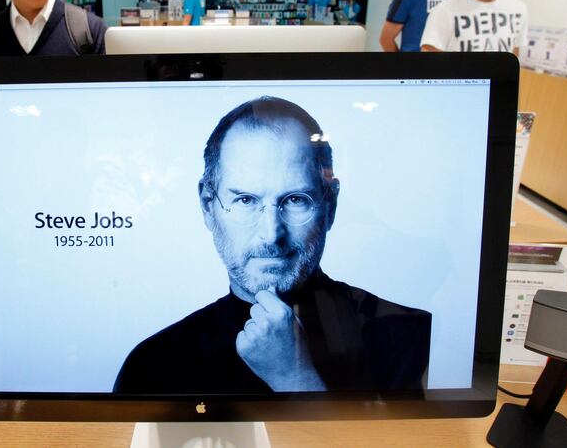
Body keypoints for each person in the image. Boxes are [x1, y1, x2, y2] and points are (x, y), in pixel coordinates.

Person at [113, 97, 432, 394]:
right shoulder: (152, 364)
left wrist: (296, 379)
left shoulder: (408, 336)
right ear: (208, 206)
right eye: (245, 200)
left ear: (330, 206)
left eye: (295, 199)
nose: (271, 235)